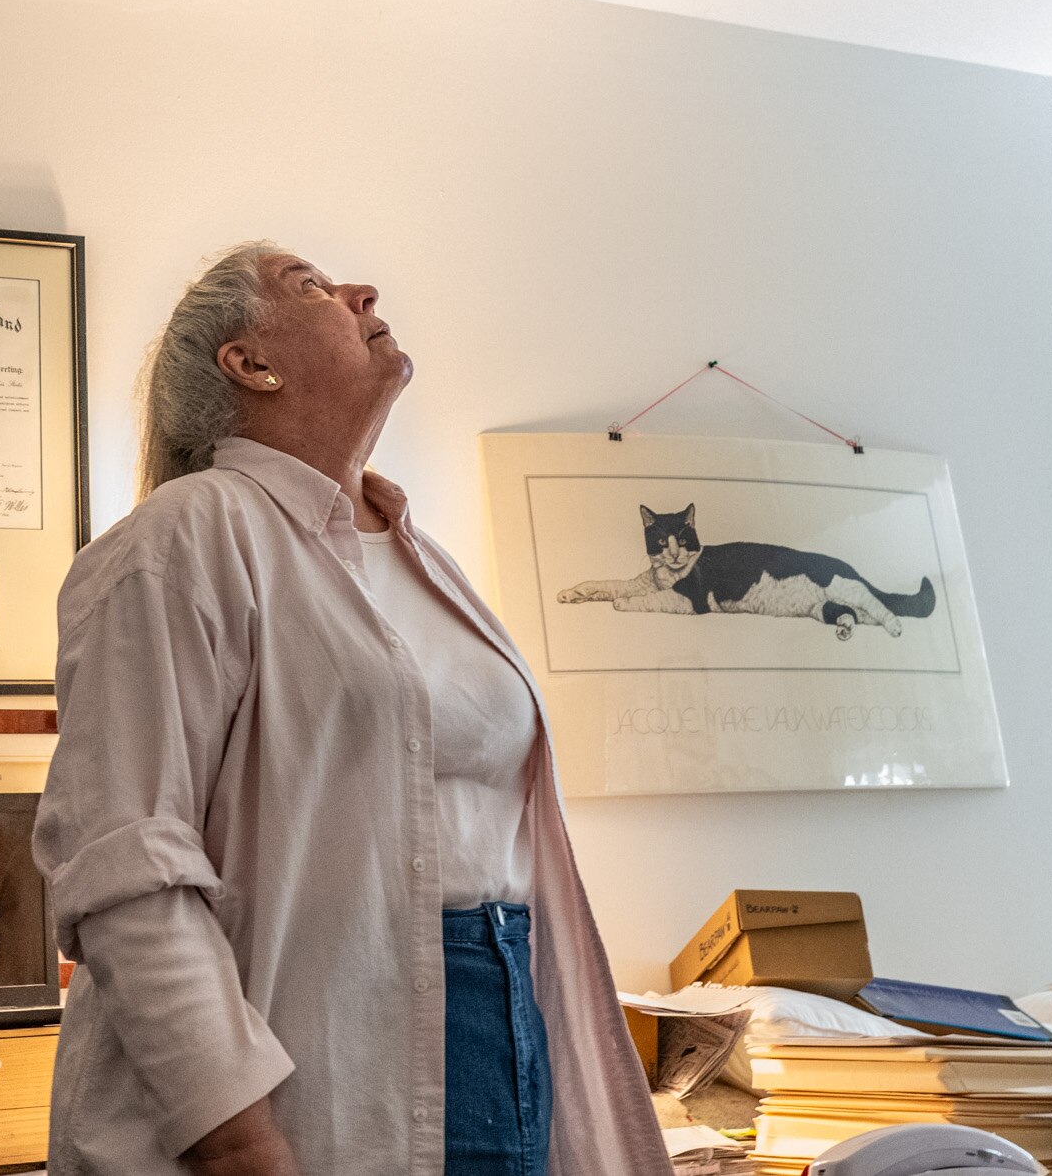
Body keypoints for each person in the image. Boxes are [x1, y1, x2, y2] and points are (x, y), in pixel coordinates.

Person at [35, 245, 659, 1176]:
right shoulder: (185, 535)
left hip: (502, 1028)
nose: (363, 293)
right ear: (250, 363)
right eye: (313, 287)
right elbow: (127, 864)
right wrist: (237, 1138)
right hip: (301, 1073)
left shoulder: (423, 556)